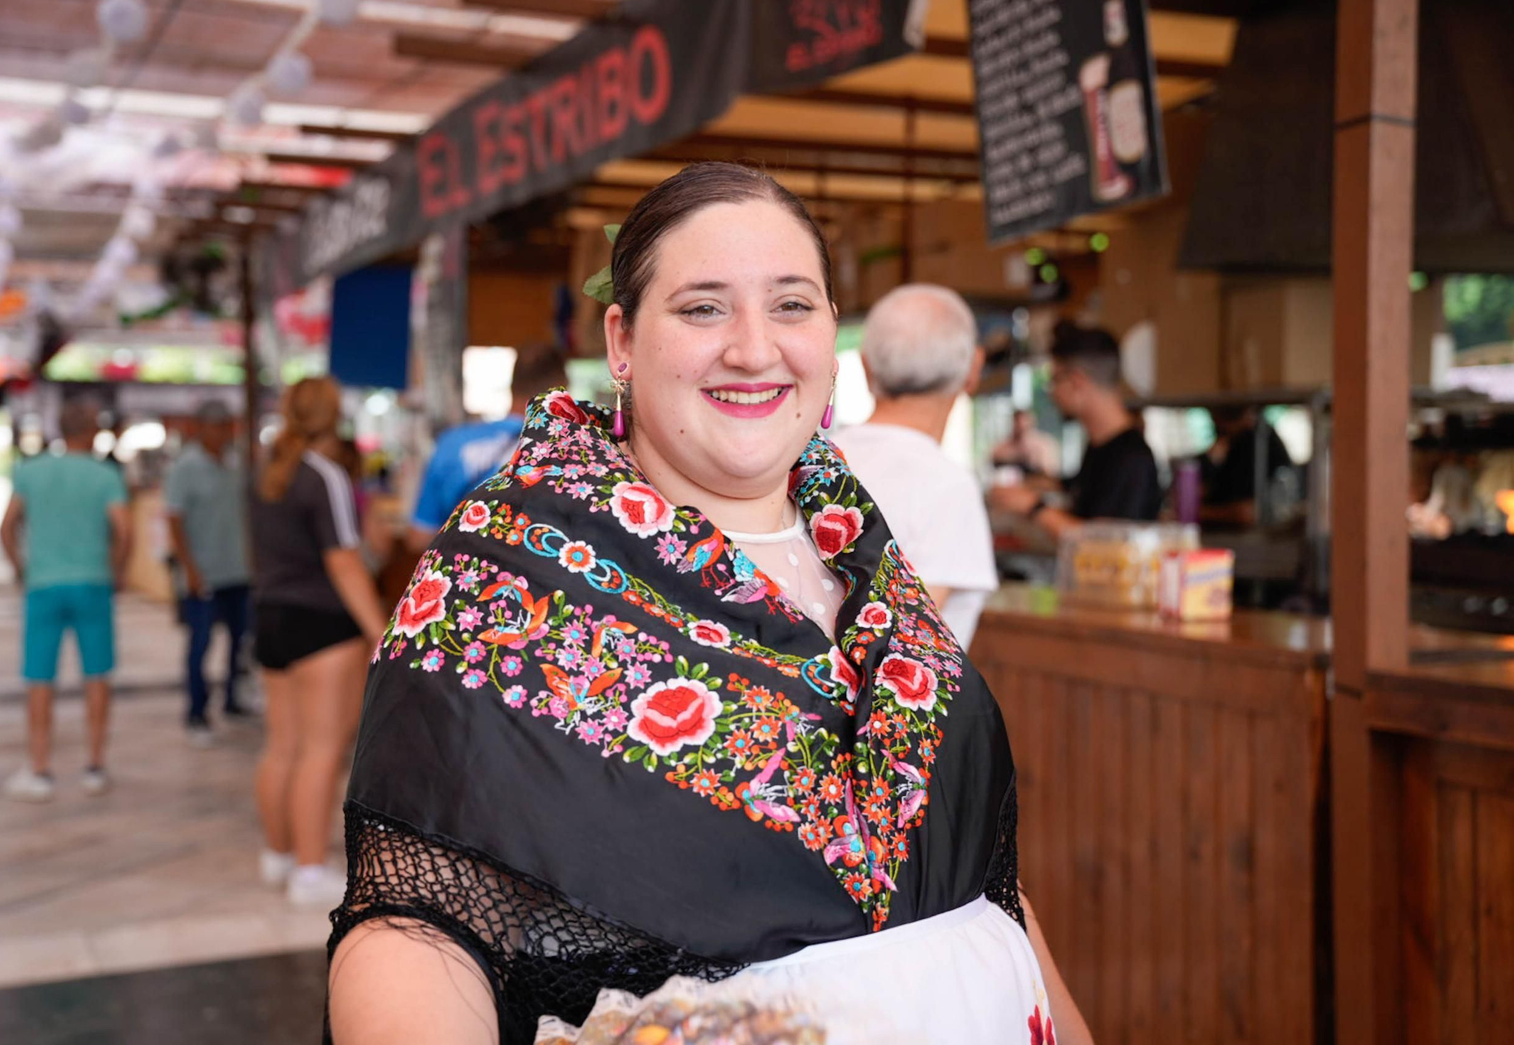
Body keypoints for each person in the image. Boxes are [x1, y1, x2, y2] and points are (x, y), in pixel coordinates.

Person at [326, 164, 1089, 1045]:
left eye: (793, 305)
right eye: (703, 308)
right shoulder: (507, 571)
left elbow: (977, 884)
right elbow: (417, 926)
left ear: (833, 332)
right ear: (622, 340)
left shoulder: (868, 555)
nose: (755, 348)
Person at [249, 377, 389, 908]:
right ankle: (309, 870)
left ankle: (278, 855)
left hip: (271, 618)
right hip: (323, 626)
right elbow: (344, 561)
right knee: (322, 751)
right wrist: (380, 630)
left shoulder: (265, 473)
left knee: (282, 745)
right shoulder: (324, 476)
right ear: (333, 416)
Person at [830, 284, 999, 653]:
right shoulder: (948, 486)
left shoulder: (822, 458)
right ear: (974, 368)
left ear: (865, 367)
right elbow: (907, 644)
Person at [0, 397, 131, 801]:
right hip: (93, 583)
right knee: (97, 676)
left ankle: (39, 769)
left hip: (43, 585)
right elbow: (124, 531)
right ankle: (94, 766)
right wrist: (115, 570)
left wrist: (20, 567)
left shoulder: (31, 471)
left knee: (39, 678)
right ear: (92, 432)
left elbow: (6, 527)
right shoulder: (106, 475)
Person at [992, 321, 1162, 539]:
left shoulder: (1132, 459)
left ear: (1077, 382)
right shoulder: (1098, 446)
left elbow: (1101, 543)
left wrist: (1033, 507)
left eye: (1054, 380)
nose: (1052, 393)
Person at [407, 343, 572, 551]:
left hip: (462, 575)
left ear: (513, 385)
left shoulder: (452, 443)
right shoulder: (568, 450)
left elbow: (419, 537)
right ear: (563, 388)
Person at [165, 399, 252, 747]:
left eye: (226, 425)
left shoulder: (236, 462)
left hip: (237, 570)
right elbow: (174, 521)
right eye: (215, 425)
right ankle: (197, 711)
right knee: (200, 643)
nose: (222, 432)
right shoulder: (185, 467)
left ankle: (233, 698)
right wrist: (190, 569)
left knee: (239, 640)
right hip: (203, 572)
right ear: (199, 428)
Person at [1198, 405, 1294, 528]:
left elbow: (1246, 513)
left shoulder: (1254, 442)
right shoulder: (1235, 441)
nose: (1213, 421)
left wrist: (1199, 512)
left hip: (1253, 535)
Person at [991, 408, 1061, 480]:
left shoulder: (1045, 445)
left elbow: (1050, 472)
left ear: (1032, 423)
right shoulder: (1004, 445)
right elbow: (994, 459)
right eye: (1018, 423)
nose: (1021, 426)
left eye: (1025, 423)